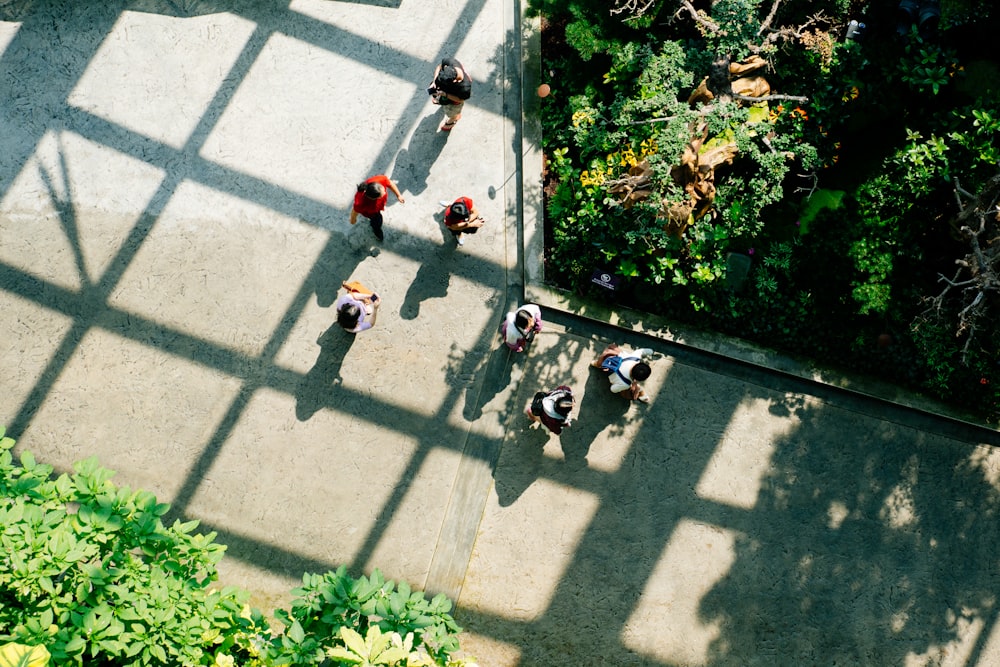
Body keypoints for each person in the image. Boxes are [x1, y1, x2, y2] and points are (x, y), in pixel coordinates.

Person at [350, 174, 404, 242]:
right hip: (371, 213)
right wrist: (353, 219)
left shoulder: (380, 180)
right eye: (382, 194)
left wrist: (398, 195)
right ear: (374, 198)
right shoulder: (361, 202)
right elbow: (355, 211)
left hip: (377, 207)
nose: (385, 192)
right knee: (377, 222)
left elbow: (390, 183)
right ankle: (377, 230)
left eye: (383, 190)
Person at [428, 57, 472, 132]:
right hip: (445, 95)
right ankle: (442, 102)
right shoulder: (450, 62)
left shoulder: (464, 88)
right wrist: (435, 81)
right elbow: (439, 67)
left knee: (452, 113)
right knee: (442, 102)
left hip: (454, 102)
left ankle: (454, 119)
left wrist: (445, 95)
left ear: (454, 81)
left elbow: (460, 100)